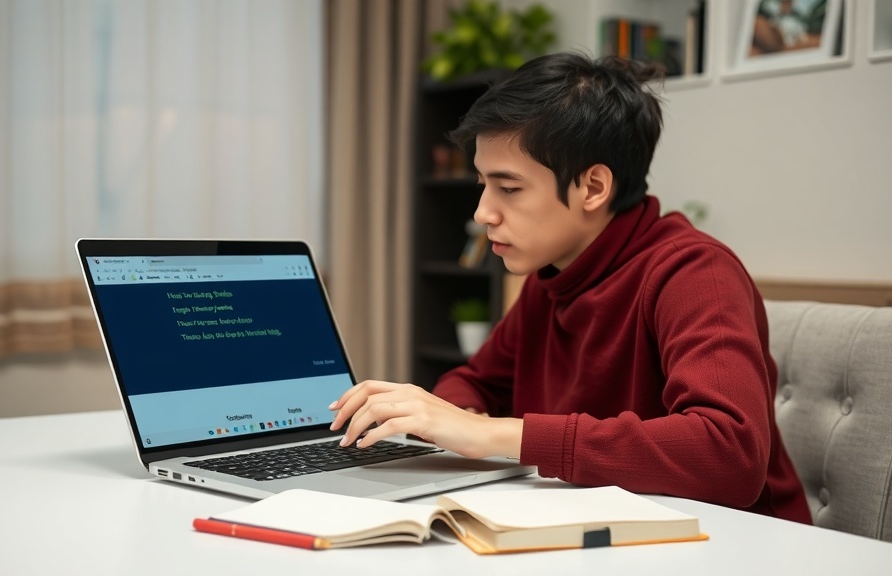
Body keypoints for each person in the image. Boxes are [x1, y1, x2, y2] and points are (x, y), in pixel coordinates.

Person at [329, 52, 812, 524]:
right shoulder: (553, 275)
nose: (482, 213)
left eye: (509, 188)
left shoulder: (694, 272)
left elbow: (729, 452)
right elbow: (476, 382)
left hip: (733, 548)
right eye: (482, 184)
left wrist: (495, 435)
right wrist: (449, 416)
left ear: (593, 187)